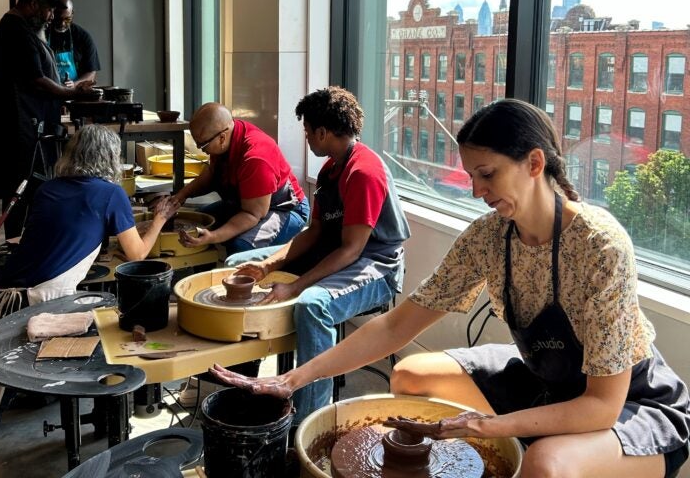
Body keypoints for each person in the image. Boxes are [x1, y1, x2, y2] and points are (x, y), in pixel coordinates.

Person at [212, 98, 690, 477]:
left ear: (534, 163)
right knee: (412, 375)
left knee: (546, 465)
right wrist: (292, 378)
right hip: (545, 382)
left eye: (487, 174)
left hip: (630, 405)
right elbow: (397, 325)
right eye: (471, 177)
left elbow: (601, 407)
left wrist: (488, 427)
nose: (478, 191)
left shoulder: (600, 246)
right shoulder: (488, 236)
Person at [222, 87, 411, 424]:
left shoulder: (363, 172)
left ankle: (310, 419)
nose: (307, 137)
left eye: (308, 130)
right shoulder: (330, 171)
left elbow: (353, 250)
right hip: (338, 250)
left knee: (313, 304)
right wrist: (267, 266)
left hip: (377, 264)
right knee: (239, 264)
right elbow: (314, 233)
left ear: (322, 132)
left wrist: (295, 287)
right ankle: (245, 378)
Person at [0, 124, 178, 430]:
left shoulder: (47, 188)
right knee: (116, 320)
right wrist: (160, 219)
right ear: (111, 158)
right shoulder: (111, 194)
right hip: (38, 301)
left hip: (2, 299)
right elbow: (137, 255)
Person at [0, 0, 96, 239]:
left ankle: (27, 244)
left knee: (32, 186)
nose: (51, 16)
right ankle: (13, 246)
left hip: (27, 121)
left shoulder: (26, 28)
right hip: (15, 122)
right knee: (19, 188)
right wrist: (71, 92)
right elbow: (37, 79)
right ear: (33, 5)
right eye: (48, 10)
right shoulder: (15, 30)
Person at [169, 102, 310, 256]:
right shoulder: (226, 135)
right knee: (200, 221)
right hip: (246, 203)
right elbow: (212, 173)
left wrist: (214, 237)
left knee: (240, 248)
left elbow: (252, 214)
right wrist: (181, 196)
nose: (201, 149)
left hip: (283, 208)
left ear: (222, 137)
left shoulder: (256, 158)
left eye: (202, 145)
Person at [46, 0, 101, 87]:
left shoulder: (83, 37)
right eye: (58, 19)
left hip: (75, 95)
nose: (62, 23)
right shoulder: (42, 34)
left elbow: (91, 73)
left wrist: (75, 84)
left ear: (72, 14)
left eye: (67, 19)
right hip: (48, 93)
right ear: (52, 14)